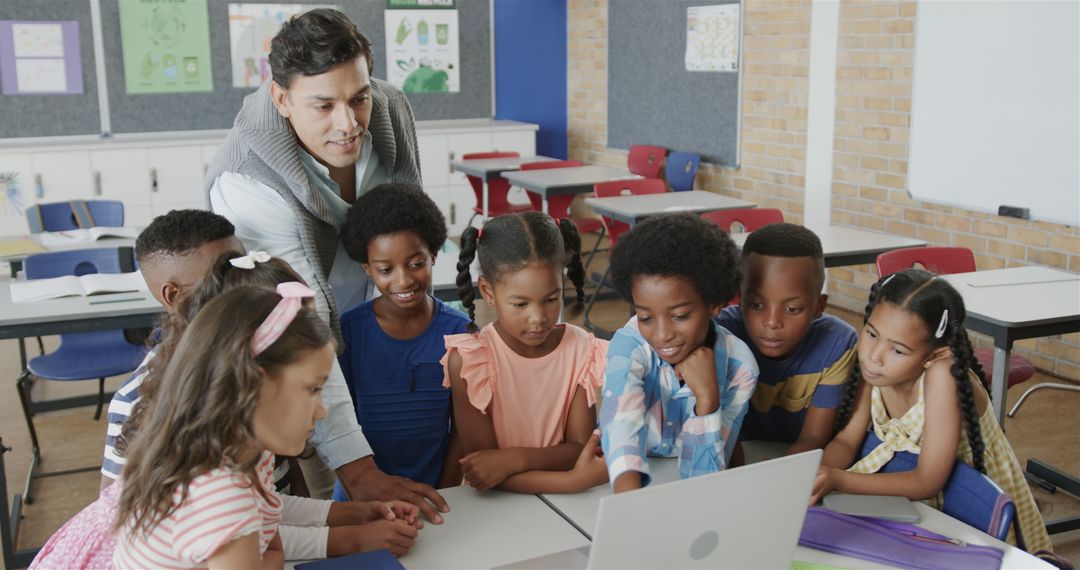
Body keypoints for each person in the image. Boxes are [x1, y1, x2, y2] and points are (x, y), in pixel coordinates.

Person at [206, 8, 447, 520]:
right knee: (338, 507)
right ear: (282, 99)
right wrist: (357, 471)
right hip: (309, 362)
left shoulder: (389, 110)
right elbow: (303, 324)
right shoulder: (247, 182)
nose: (348, 124)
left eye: (358, 98)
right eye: (324, 105)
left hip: (383, 329)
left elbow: (411, 232)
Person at [113, 285, 422, 568]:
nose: (322, 410)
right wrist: (270, 554)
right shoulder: (219, 489)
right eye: (313, 389)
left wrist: (356, 514)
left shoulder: (240, 448)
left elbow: (264, 515)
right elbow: (258, 531)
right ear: (253, 383)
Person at [811, 269, 1052, 554]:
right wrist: (813, 473)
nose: (874, 355)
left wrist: (838, 479)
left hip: (979, 522)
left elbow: (928, 480)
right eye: (872, 334)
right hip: (918, 510)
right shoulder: (875, 369)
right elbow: (847, 441)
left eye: (898, 350)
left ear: (935, 354)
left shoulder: (943, 376)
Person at [442, 212, 609, 493]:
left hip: (565, 506)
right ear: (488, 291)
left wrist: (513, 459)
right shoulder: (470, 361)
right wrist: (572, 481)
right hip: (497, 511)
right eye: (520, 304)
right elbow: (482, 470)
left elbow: (580, 449)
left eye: (551, 299)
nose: (538, 318)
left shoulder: (582, 349)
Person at [600, 214, 758, 493]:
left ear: (715, 304)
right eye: (646, 317)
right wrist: (628, 507)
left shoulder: (741, 367)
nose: (662, 335)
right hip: (623, 474)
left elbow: (704, 481)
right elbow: (621, 429)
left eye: (680, 315)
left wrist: (708, 400)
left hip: (694, 483)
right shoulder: (630, 345)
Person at [335, 183, 469, 496]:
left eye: (415, 264)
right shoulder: (350, 332)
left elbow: (462, 431)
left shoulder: (460, 333)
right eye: (386, 269)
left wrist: (446, 495)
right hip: (362, 496)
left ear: (434, 255)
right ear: (367, 268)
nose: (404, 280)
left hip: (434, 490)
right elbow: (342, 426)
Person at [101, 209, 243, 491]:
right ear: (173, 296)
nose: (243, 282)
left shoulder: (258, 349)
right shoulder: (137, 399)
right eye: (223, 276)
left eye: (244, 266)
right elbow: (114, 509)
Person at [715, 223, 856, 459]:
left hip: (793, 461)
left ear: (818, 306)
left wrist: (779, 477)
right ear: (739, 298)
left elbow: (813, 438)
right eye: (756, 305)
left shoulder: (836, 344)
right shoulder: (720, 334)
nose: (772, 322)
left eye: (792, 308)